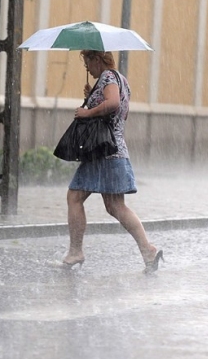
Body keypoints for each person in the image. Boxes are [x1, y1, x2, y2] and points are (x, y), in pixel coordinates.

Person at [60, 50, 163, 274]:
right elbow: (116, 108)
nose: (88, 68)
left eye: (88, 63)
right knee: (115, 206)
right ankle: (148, 250)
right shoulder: (120, 79)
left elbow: (113, 103)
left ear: (97, 59)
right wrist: (93, 95)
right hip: (115, 150)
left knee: (75, 197)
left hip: (102, 152)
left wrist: (88, 112)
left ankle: (76, 251)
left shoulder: (107, 77)